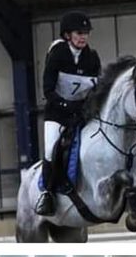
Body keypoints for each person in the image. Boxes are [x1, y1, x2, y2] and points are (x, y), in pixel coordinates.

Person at [36, 12, 102, 216]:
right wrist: (66, 106)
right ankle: (47, 193)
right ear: (67, 35)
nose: (83, 37)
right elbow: (47, 90)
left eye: (86, 33)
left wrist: (87, 108)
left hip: (82, 114)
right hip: (57, 113)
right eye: (78, 33)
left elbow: (96, 89)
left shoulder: (92, 58)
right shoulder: (57, 54)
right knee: (50, 150)